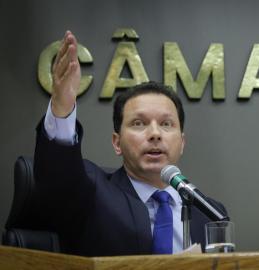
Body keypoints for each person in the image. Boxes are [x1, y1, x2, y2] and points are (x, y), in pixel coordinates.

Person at [31, 31, 227, 256]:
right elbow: (58, 176)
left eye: (166, 124)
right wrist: (61, 104)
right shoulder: (92, 192)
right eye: (138, 123)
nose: (155, 134)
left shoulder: (208, 211)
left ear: (182, 142)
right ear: (117, 143)